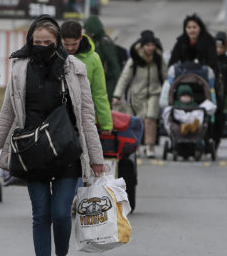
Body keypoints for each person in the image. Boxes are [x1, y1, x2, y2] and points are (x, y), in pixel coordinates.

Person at [0, 15, 105, 256]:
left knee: (61, 213)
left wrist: (96, 158)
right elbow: (7, 115)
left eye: (47, 43)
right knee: (41, 214)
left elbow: (86, 117)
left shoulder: (75, 68)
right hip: (32, 151)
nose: (41, 47)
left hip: (67, 151)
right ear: (29, 40)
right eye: (36, 42)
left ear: (58, 43)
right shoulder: (19, 68)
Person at [112, 30, 167, 158]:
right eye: (148, 45)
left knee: (150, 118)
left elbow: (165, 75)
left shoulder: (159, 58)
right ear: (142, 46)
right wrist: (117, 95)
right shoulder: (134, 60)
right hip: (136, 94)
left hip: (154, 92)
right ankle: (135, 146)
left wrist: (168, 89)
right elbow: (124, 78)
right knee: (136, 121)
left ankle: (150, 147)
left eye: (152, 45)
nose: (150, 48)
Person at [61, 20, 113, 133]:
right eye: (66, 44)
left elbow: (99, 93)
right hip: (58, 119)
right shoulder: (54, 56)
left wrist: (106, 123)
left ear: (80, 38)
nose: (70, 48)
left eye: (74, 44)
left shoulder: (94, 59)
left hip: (84, 119)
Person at [83, 15, 122, 99]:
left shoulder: (104, 42)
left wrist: (118, 87)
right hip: (97, 80)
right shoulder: (93, 41)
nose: (86, 33)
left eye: (87, 31)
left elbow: (114, 63)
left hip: (108, 81)